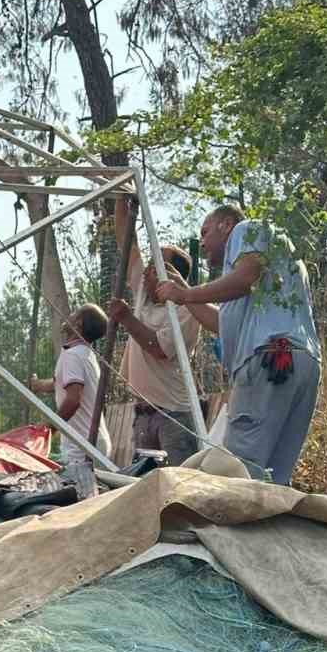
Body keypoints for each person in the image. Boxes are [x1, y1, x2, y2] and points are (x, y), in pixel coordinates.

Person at [152, 206, 320, 486]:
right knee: (275, 477)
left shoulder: (247, 231)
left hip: (269, 361)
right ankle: (272, 527)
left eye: (205, 232)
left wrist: (187, 293)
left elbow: (245, 278)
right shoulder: (270, 270)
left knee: (239, 470)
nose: (202, 243)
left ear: (226, 225)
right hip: (298, 362)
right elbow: (221, 322)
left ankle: (234, 529)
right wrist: (184, 295)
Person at [112, 194, 203, 466]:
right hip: (143, 413)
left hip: (174, 415)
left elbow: (159, 349)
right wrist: (121, 200)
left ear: (173, 275)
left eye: (157, 265)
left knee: (179, 485)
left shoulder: (187, 309)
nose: (148, 269)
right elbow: (127, 246)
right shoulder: (144, 291)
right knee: (146, 485)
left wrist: (127, 318)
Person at [31, 303, 111, 497]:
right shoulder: (86, 354)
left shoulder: (72, 356)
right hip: (94, 441)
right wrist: (37, 385)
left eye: (74, 313)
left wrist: (49, 427)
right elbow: (60, 383)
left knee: (81, 505)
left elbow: (73, 399)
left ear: (79, 323)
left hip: (81, 445)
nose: (69, 316)